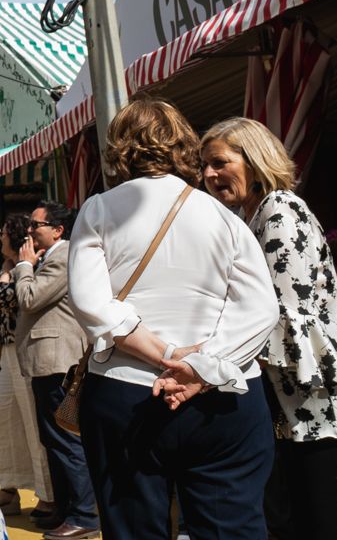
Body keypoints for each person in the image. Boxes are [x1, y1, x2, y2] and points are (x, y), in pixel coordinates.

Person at [68, 98, 278, 540]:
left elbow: (92, 304)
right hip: (225, 396)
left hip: (126, 393)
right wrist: (200, 366)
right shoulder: (224, 216)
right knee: (232, 528)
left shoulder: (99, 210)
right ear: (183, 144)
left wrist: (165, 354)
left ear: (119, 148)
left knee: (133, 529)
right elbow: (260, 308)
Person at [200, 116, 337, 540]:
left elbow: (285, 314)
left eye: (219, 162)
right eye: (205, 166)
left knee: (321, 518)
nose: (209, 175)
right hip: (293, 403)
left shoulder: (279, 210)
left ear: (254, 159)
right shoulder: (255, 214)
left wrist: (213, 360)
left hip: (315, 404)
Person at [12, 201, 97, 540]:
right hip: (44, 362)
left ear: (58, 230)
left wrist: (23, 266)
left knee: (65, 440)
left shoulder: (63, 257)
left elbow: (30, 298)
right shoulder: (50, 257)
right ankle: (66, 509)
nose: (29, 231)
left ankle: (84, 516)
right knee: (53, 440)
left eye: (36, 225)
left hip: (58, 362)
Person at [0, 211, 55, 522]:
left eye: (2, 232)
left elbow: (9, 299)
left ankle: (48, 495)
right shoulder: (12, 267)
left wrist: (7, 275)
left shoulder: (30, 266)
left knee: (31, 421)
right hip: (10, 350)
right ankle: (11, 485)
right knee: (5, 415)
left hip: (26, 349)